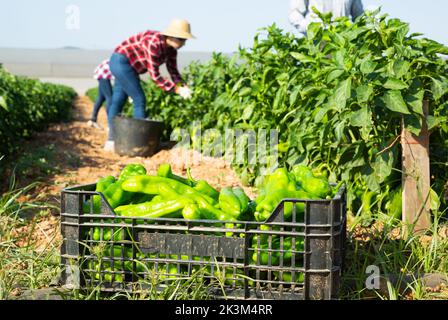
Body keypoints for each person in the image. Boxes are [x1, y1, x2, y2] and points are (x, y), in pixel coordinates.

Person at [104, 18, 194, 152]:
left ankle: (113, 140)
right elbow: (155, 76)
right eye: (182, 40)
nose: (184, 44)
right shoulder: (153, 42)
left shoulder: (171, 50)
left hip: (130, 67)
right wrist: (176, 90)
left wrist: (182, 85)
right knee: (139, 99)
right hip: (120, 61)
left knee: (120, 99)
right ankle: (137, 144)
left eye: (185, 40)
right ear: (172, 36)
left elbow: (173, 70)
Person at [289, 0, 364, 35]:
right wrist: (310, 30)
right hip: (315, 43)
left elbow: (360, 17)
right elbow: (294, 13)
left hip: (342, 43)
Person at [87, 59, 114, 130]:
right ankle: (110, 124)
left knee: (101, 97)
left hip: (101, 74)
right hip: (104, 75)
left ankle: (93, 120)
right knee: (110, 98)